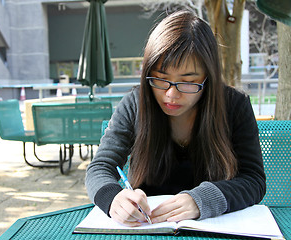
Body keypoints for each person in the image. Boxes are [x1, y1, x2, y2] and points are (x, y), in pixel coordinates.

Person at [85, 10, 266, 227]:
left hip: (216, 229)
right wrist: (113, 198)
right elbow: (100, 167)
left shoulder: (234, 106)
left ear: (208, 78)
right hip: (147, 228)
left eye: (187, 81)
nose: (171, 94)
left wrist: (203, 200)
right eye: (160, 79)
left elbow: (253, 180)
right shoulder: (135, 103)